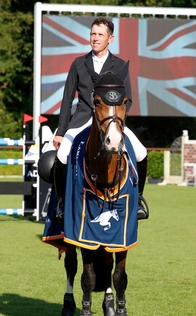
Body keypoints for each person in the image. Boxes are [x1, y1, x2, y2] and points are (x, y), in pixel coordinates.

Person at [53, 17, 149, 222]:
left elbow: (128, 99)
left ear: (110, 38)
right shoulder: (78, 64)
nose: (95, 38)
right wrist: (61, 132)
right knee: (61, 155)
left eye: (100, 35)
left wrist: (115, 121)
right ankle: (61, 202)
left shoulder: (121, 66)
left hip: (111, 122)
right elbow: (67, 99)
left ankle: (139, 199)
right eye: (93, 34)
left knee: (141, 153)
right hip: (82, 121)